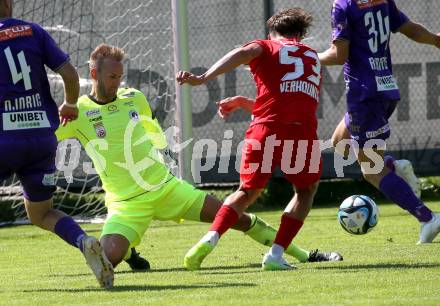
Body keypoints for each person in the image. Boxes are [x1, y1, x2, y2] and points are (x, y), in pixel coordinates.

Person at [55, 43, 342, 277]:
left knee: (236, 219)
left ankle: (304, 254)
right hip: (126, 204)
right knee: (106, 261)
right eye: (111, 77)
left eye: (120, 76)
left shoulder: (134, 97)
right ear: (94, 73)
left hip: (167, 188)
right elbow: (49, 137)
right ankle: (128, 251)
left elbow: (152, 128)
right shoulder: (75, 111)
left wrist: (164, 151)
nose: (118, 83)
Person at [177, 8, 325, 270]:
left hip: (265, 129)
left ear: (272, 32)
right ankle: (276, 255)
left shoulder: (266, 46)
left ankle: (210, 238)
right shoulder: (312, 56)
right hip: (300, 131)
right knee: (305, 191)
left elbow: (244, 54)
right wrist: (245, 102)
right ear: (300, 34)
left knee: (246, 192)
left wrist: (203, 78)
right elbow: (290, 102)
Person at [0, 0, 113, 288]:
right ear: (8, 4)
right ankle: (84, 240)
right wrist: (71, 104)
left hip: (4, 139)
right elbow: (70, 74)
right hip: (41, 139)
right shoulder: (34, 32)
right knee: (41, 213)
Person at [318, 0, 440, 244]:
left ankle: (427, 217)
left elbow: (339, 55)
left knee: (371, 170)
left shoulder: (343, 5)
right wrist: (436, 39)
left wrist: (306, 57)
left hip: (365, 95)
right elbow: (408, 27)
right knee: (340, 143)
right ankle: (397, 167)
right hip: (384, 89)